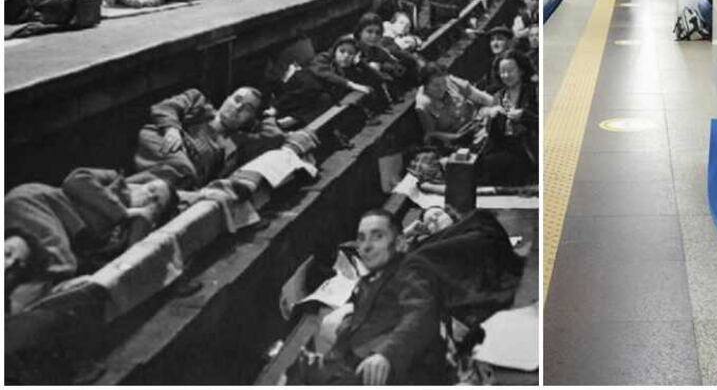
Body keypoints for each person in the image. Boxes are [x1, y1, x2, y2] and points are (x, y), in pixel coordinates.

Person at [301, 209, 447, 385]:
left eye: (377, 237)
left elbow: (420, 314)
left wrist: (386, 353)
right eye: (362, 238)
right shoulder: (375, 277)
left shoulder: (412, 269)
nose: (366, 246)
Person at [5, 168, 176, 312]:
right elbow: (75, 179)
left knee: (26, 266)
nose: (148, 196)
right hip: (37, 202)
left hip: (46, 228)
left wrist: (144, 219)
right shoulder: (114, 179)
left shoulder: (128, 229)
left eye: (156, 201)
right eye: (151, 188)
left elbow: (129, 257)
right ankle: (19, 311)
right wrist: (123, 211)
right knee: (62, 262)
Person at [132, 86, 286, 189]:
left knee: (161, 186)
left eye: (247, 109)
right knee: (183, 171)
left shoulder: (239, 141)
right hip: (163, 143)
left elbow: (275, 137)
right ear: (227, 98)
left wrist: (268, 114)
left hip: (180, 175)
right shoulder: (197, 100)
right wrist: (171, 129)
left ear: (250, 119)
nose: (237, 108)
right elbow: (164, 107)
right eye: (237, 100)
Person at [476, 51, 538, 186]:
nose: (506, 75)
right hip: (503, 146)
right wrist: (491, 114)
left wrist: (524, 116)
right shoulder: (498, 95)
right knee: (478, 163)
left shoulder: (535, 92)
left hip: (528, 147)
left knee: (499, 164)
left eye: (510, 71)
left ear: (521, 71)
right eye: (502, 72)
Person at [415, 62, 494, 148]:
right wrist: (459, 137)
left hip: (478, 120)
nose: (442, 88)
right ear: (426, 86)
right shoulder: (423, 105)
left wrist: (500, 106)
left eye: (444, 83)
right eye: (436, 85)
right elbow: (431, 135)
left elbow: (481, 98)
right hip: (459, 137)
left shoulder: (451, 81)